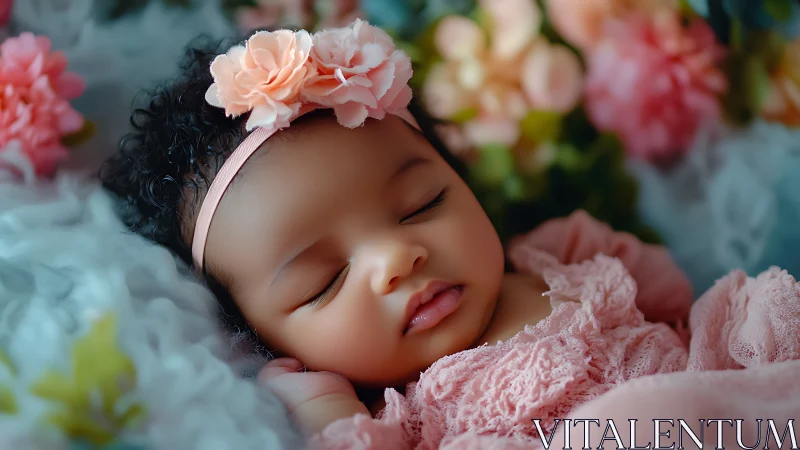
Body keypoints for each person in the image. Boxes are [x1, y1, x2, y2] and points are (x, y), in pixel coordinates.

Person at [100, 19, 800, 450]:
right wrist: (321, 410)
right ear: (265, 339)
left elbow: (668, 293)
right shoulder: (394, 414)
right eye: (325, 281)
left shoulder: (554, 253)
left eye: (421, 204)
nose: (397, 257)